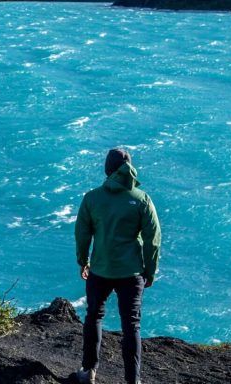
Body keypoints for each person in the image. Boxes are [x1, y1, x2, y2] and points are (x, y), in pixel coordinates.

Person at [74, 148, 161, 384]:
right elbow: (153, 240)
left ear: (107, 169)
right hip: (132, 273)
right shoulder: (142, 199)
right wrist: (150, 271)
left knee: (93, 317)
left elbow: (82, 233)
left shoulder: (92, 198)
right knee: (131, 325)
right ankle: (133, 381)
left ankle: (89, 371)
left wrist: (83, 261)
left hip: (100, 270)